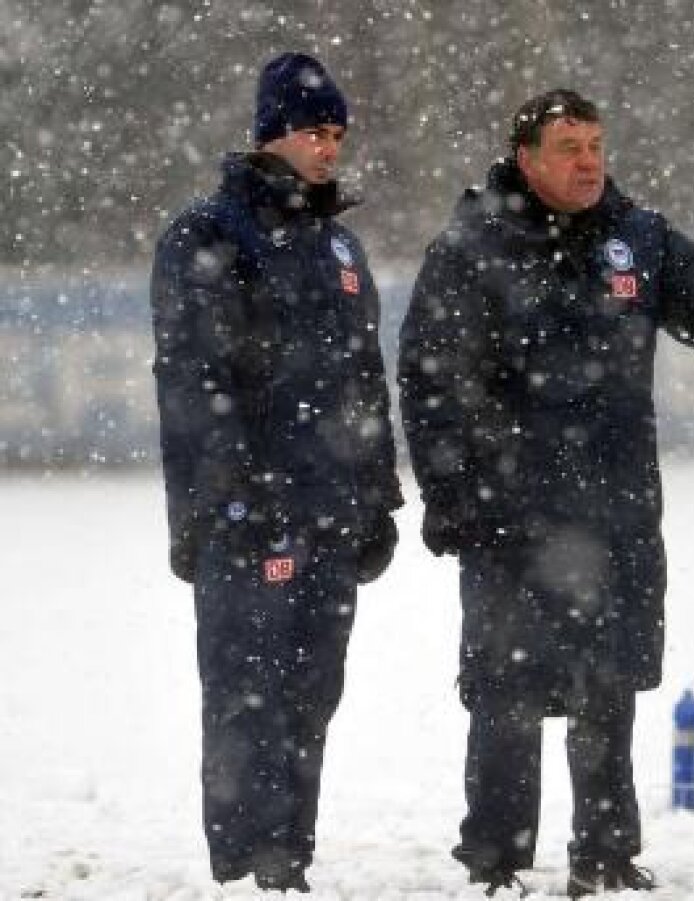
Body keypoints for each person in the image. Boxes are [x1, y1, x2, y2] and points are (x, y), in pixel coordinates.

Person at [398, 89, 694, 897]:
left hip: (615, 511)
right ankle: (495, 858)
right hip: (512, 514)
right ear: (526, 158)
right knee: (508, 692)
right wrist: (452, 492)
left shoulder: (635, 239)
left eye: (597, 144)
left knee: (608, 684)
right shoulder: (473, 246)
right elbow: (431, 380)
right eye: (569, 147)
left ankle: (604, 854)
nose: (589, 161)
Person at [150, 52, 403, 892]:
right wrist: (229, 499)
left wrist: (378, 497)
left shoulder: (339, 244)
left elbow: (365, 378)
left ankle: (287, 858)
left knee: (310, 696)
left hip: (331, 513)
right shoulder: (210, 234)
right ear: (269, 135)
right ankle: (249, 862)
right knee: (245, 698)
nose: (328, 148)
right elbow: (194, 381)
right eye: (311, 131)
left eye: (336, 133)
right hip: (247, 516)